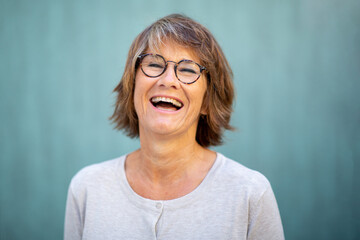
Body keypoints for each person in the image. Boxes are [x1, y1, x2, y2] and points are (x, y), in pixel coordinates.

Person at [64, 14, 284, 240]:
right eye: (154, 64)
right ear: (132, 87)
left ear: (207, 101)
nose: (168, 80)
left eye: (188, 70)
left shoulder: (250, 194)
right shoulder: (88, 189)